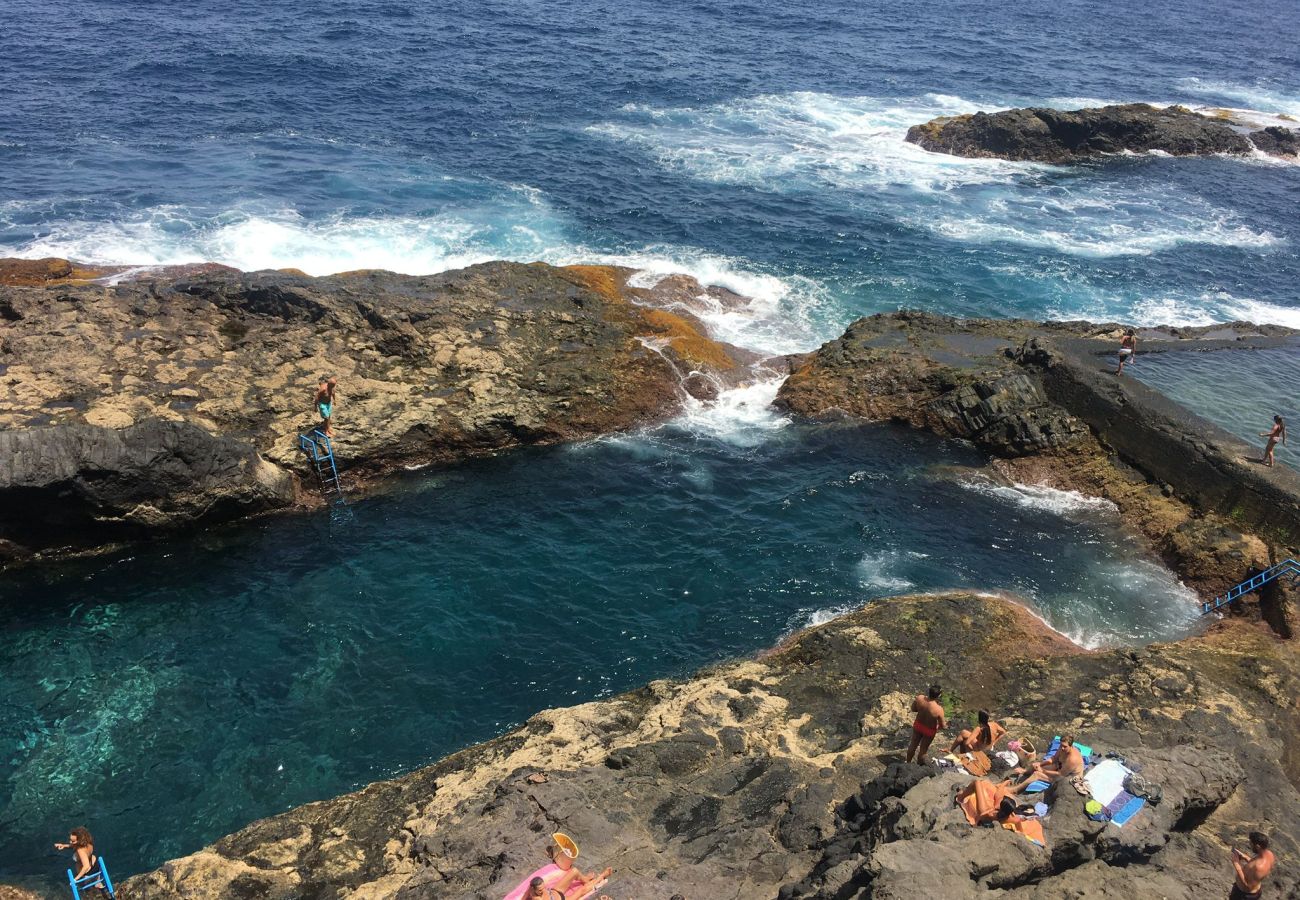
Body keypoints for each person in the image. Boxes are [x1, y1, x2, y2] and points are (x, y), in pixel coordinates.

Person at [546, 838, 611, 900]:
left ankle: (588, 879)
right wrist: (602, 876)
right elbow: (582, 891)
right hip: (557, 896)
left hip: (553, 893)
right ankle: (601, 876)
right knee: (582, 890)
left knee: (575, 872)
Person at [906, 684, 946, 764]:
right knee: (923, 750)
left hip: (918, 725)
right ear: (938, 696)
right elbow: (943, 726)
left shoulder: (920, 698)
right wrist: (939, 726)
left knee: (913, 745)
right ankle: (918, 766)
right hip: (929, 730)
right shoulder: (939, 709)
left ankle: (908, 762)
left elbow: (913, 709)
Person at [1229, 832, 1274, 900]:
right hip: (1247, 892)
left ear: (1257, 846)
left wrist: (1237, 865)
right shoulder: (1269, 854)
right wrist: (1245, 857)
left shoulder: (1259, 867)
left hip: (1244, 895)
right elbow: (1255, 867)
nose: (1250, 846)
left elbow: (1248, 886)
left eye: (1251, 844)